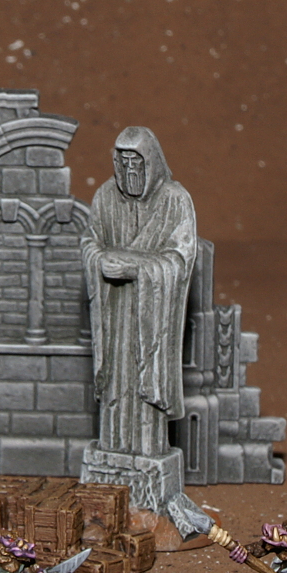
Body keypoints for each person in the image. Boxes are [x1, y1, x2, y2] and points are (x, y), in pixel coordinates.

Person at [81, 127, 198, 457]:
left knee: (146, 391)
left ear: (152, 161)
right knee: (116, 384)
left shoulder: (175, 200)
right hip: (115, 314)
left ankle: (148, 454)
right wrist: (99, 261)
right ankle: (111, 449)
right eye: (123, 162)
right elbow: (90, 241)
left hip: (152, 318)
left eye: (136, 162)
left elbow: (180, 258)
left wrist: (137, 269)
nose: (130, 170)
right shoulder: (105, 197)